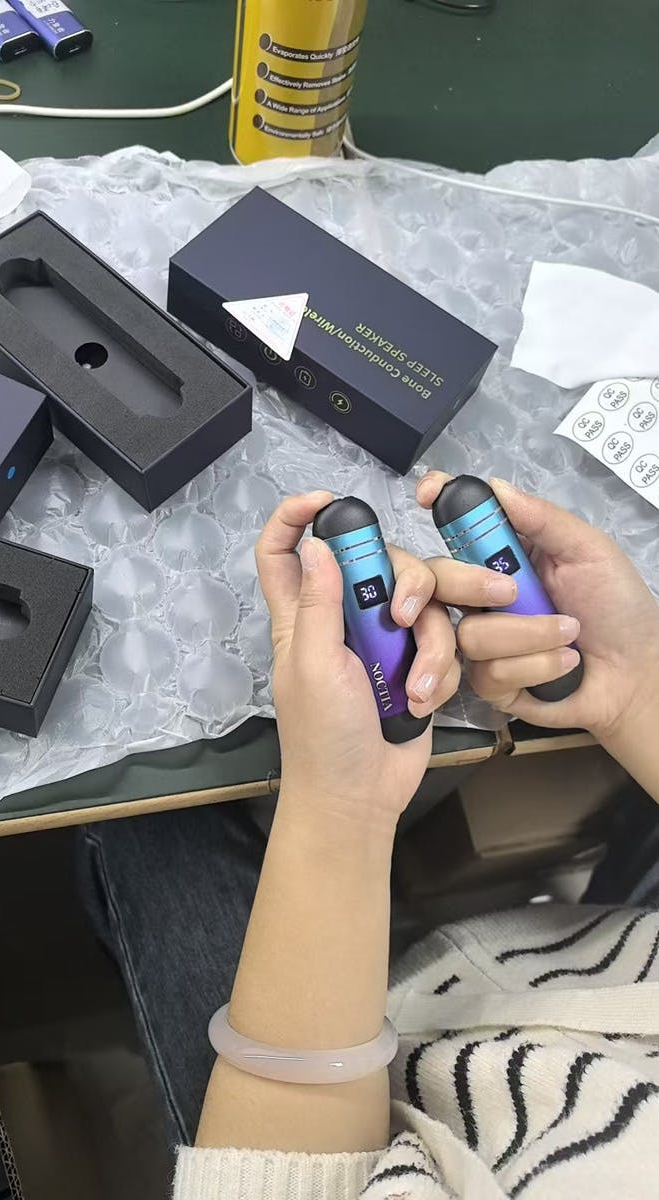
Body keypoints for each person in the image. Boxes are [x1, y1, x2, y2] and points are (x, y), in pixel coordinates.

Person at [80, 474, 659, 1199]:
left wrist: (340, 810)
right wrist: (638, 688)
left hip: (346, 1125)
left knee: (155, 832)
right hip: (584, 968)